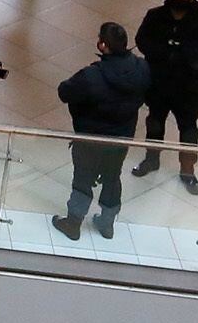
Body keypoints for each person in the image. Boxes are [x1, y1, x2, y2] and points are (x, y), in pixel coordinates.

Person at [55, 23, 150, 242]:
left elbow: (64, 92)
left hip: (90, 136)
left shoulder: (91, 75)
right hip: (121, 137)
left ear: (103, 45)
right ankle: (107, 223)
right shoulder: (142, 68)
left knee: (83, 178)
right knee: (112, 177)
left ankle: (73, 222)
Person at [135, 0, 198, 192]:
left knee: (189, 130)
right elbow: (142, 40)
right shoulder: (155, 16)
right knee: (154, 124)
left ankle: (188, 170)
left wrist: (182, 53)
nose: (178, 0)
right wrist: (166, 51)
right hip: (158, 86)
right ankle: (151, 159)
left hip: (188, 89)